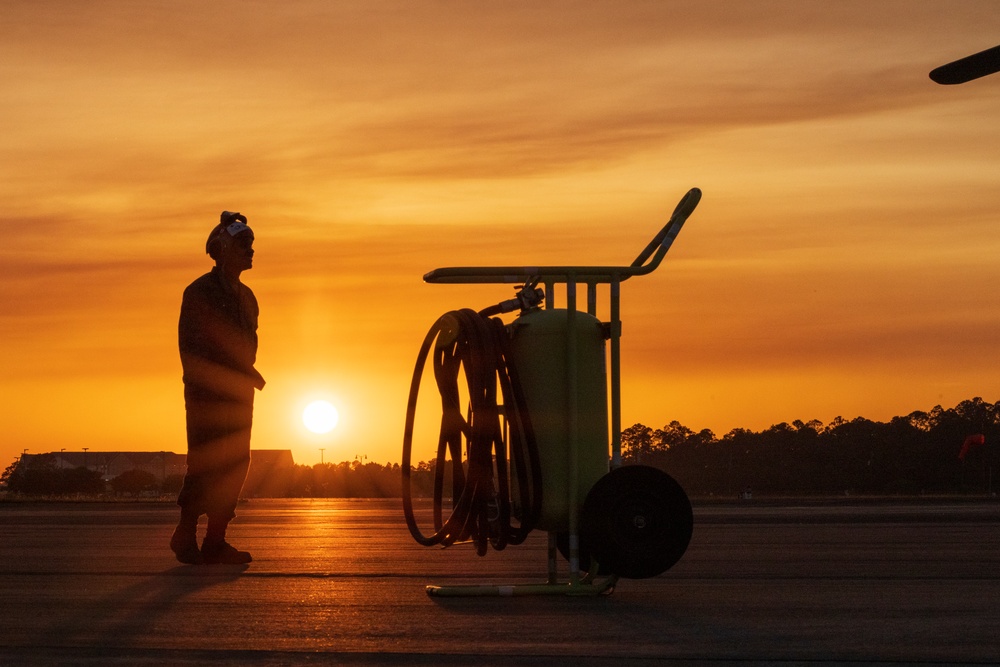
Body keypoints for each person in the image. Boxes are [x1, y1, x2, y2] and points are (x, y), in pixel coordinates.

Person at [170, 211, 266, 565]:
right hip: (207, 393)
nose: (251, 251)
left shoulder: (248, 297)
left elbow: (246, 346)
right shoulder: (199, 292)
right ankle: (185, 533)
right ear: (222, 248)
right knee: (206, 462)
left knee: (235, 462)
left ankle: (216, 540)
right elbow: (192, 347)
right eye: (244, 244)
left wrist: (247, 374)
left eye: (251, 245)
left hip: (240, 392)